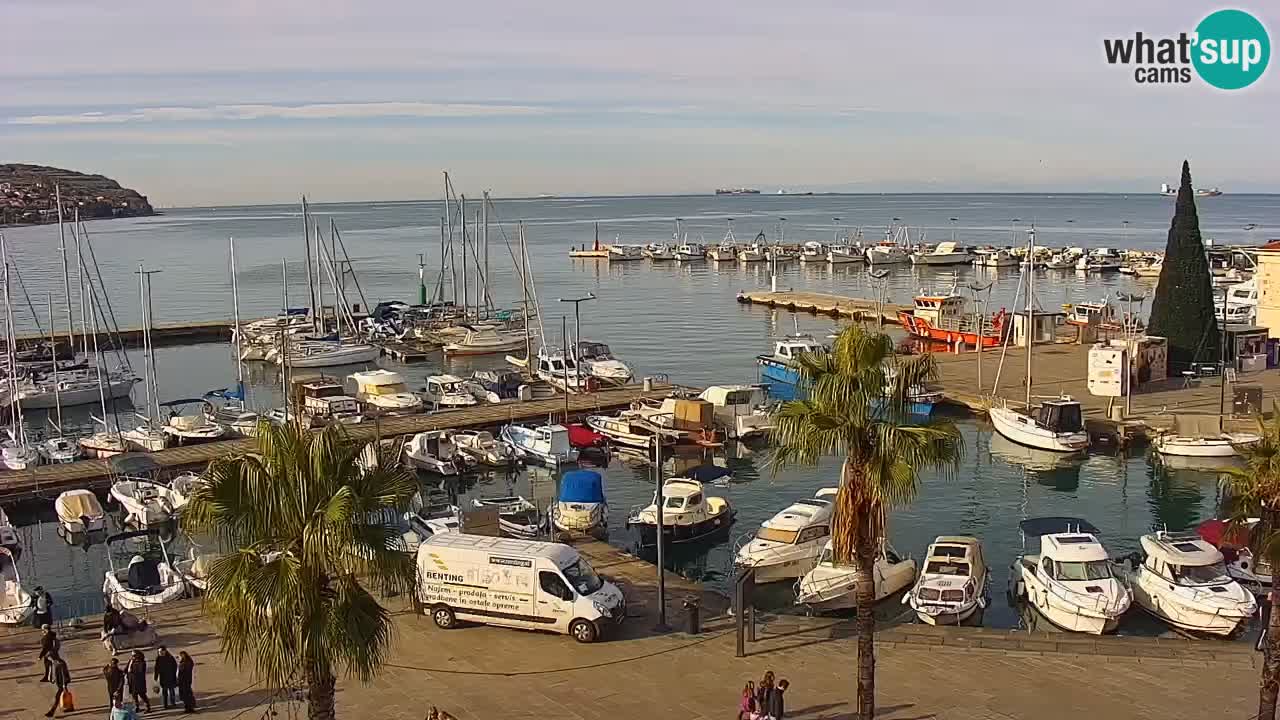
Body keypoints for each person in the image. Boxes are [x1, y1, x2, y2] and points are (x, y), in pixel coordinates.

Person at [44, 652, 71, 718]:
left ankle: (52, 711)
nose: (49, 659)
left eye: (49, 658)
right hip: (60, 683)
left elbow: (63, 674)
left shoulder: (60, 663)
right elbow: (55, 673)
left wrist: (64, 685)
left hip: (62, 683)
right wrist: (53, 679)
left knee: (57, 697)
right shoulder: (55, 663)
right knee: (66, 695)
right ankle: (70, 707)